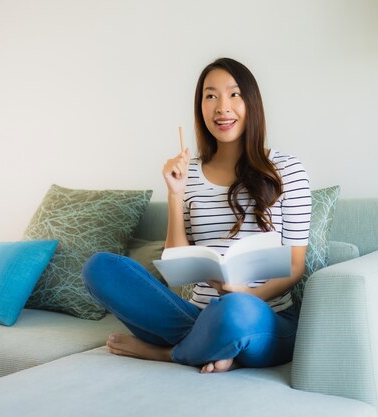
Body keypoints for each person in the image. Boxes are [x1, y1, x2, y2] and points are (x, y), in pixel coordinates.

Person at [82, 57, 311, 374]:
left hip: (263, 316)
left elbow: (296, 266)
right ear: (200, 107)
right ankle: (213, 346)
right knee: (101, 268)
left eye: (234, 94)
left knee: (235, 311)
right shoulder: (188, 174)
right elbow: (178, 265)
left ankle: (168, 353)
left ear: (251, 103)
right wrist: (175, 193)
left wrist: (248, 295)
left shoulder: (287, 170)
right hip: (196, 314)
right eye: (210, 95)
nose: (222, 107)